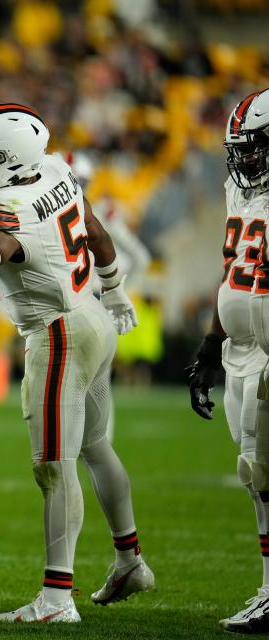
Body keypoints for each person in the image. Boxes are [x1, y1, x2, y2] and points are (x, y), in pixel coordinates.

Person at [0, 103, 154, 623]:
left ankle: (58, 599)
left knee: (53, 467)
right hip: (94, 317)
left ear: (12, 161)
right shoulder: (58, 170)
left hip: (57, 334)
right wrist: (117, 290)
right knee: (96, 447)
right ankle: (130, 559)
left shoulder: (3, 206)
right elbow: (99, 234)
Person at [189, 88, 269, 633]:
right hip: (242, 351)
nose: (242, 160)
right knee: (256, 475)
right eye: (237, 149)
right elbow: (232, 271)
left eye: (254, 147)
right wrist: (211, 342)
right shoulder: (239, 194)